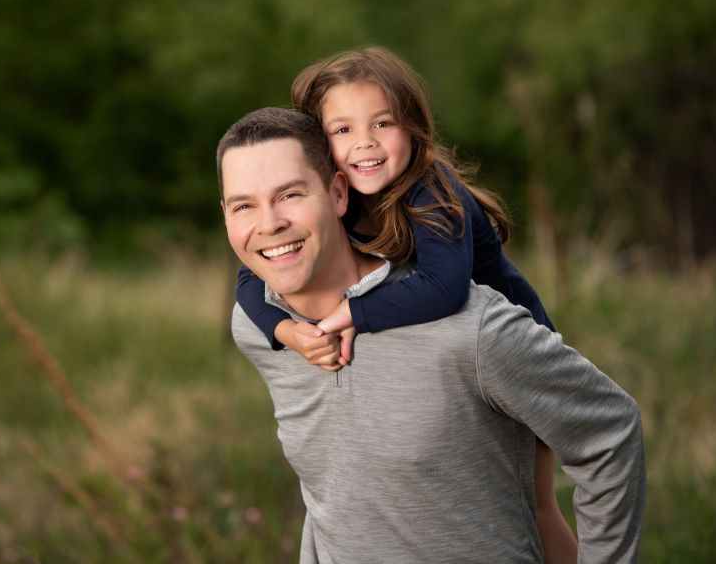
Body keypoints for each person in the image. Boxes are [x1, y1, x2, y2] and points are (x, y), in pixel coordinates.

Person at [218, 107, 645, 563]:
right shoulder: (257, 326)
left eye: (290, 195)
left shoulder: (468, 330)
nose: (268, 224)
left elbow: (610, 433)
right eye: (244, 205)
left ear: (338, 193)